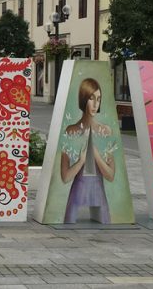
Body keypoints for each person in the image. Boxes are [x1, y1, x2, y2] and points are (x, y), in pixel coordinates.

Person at [60, 78, 116, 223]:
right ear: (84, 98)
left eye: (99, 99)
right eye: (91, 98)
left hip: (99, 192)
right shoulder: (71, 131)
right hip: (77, 192)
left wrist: (96, 155)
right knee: (70, 222)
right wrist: (81, 161)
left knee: (105, 222)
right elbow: (65, 177)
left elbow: (110, 176)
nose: (96, 104)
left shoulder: (106, 131)